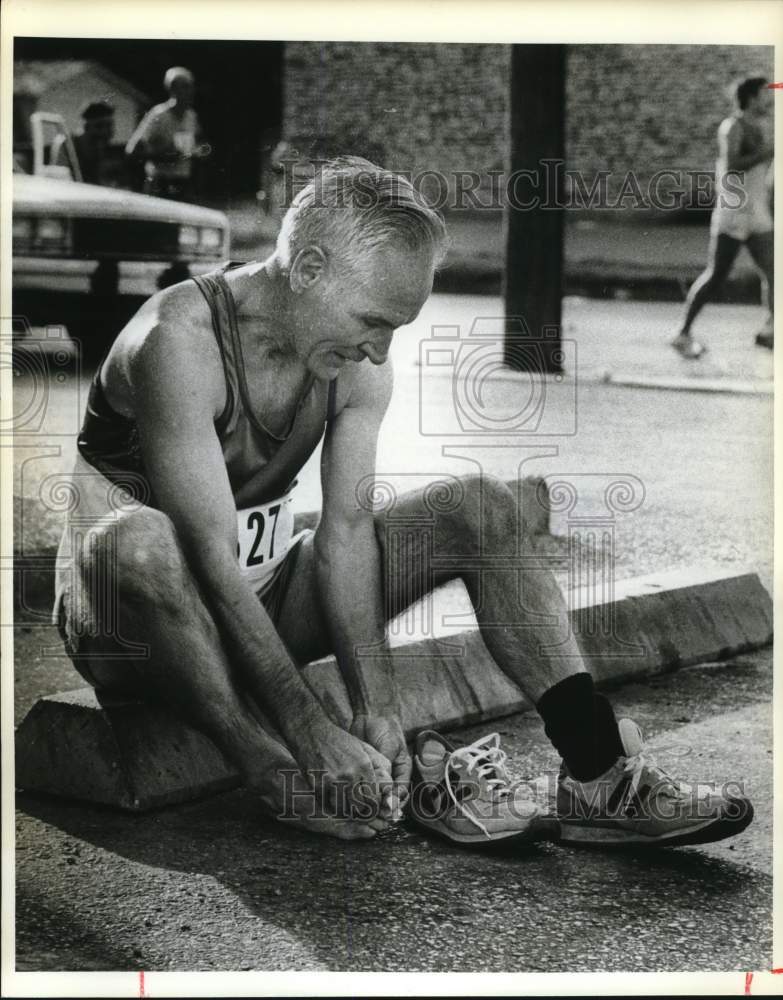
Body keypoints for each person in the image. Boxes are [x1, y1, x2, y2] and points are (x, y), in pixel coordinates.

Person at [54, 158, 753, 847]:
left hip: (253, 599)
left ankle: (599, 775)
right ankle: (267, 768)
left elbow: (347, 534)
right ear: (307, 270)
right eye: (372, 320)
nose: (381, 347)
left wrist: (375, 709)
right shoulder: (178, 342)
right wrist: (307, 729)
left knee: (478, 507)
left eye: (398, 326)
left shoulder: (352, 359)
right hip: (130, 627)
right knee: (140, 541)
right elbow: (207, 558)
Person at [672, 76, 774, 358]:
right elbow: (731, 166)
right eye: (766, 94)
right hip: (733, 212)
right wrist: (767, 153)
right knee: (717, 275)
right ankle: (683, 332)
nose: (771, 99)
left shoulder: (762, 127)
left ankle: (770, 330)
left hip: (757, 211)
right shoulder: (732, 127)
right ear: (752, 98)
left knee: (774, 270)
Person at [125, 66, 209, 200]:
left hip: (184, 184)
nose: (190, 92)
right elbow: (132, 150)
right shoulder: (158, 115)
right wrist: (163, 155)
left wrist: (201, 151)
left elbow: (202, 144)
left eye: (191, 87)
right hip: (160, 183)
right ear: (172, 89)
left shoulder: (191, 116)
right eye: (184, 87)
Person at [53, 100, 128, 188]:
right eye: (99, 126)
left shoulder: (107, 149)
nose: (105, 131)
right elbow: (59, 176)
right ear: (86, 126)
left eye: (109, 125)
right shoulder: (67, 144)